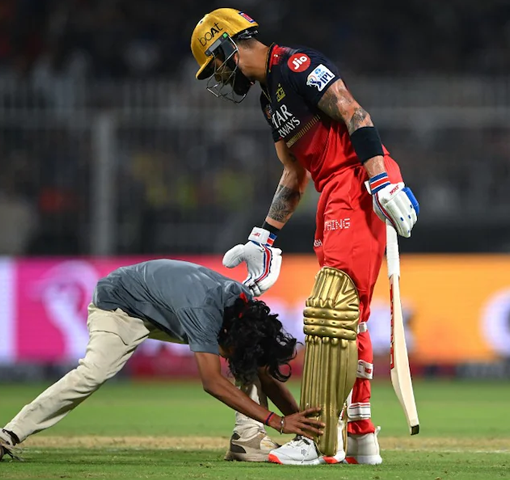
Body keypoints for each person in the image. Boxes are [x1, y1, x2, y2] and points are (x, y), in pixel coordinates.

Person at [190, 8, 420, 466]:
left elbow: (355, 113)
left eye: (213, 63)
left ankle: (317, 441)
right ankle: (358, 434)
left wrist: (380, 182)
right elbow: (294, 176)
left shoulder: (296, 67)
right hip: (332, 192)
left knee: (327, 311)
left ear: (227, 46)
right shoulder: (266, 100)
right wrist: (264, 238)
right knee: (347, 316)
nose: (216, 75)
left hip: (356, 183)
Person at [0, 259, 323, 462]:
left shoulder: (244, 309)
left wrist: (302, 425)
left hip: (165, 307)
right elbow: (211, 382)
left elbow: (262, 368)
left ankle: (247, 441)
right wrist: (278, 422)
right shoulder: (204, 313)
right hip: (120, 308)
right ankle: (8, 434)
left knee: (249, 359)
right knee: (92, 373)